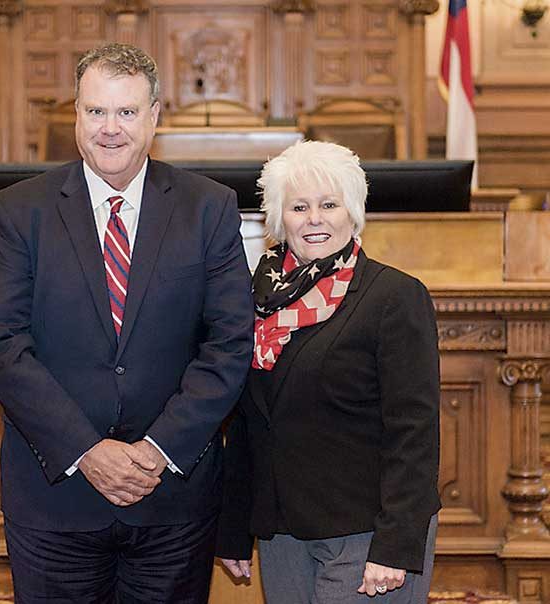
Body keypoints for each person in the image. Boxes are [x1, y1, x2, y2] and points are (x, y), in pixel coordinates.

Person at [0, 42, 254, 604]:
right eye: (96, 111)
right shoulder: (18, 210)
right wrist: (87, 451)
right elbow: (0, 343)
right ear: (76, 114)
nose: (110, 129)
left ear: (154, 116)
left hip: (171, 497)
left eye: (126, 112)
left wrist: (155, 451)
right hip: (55, 500)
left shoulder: (210, 208)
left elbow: (228, 344)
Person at [216, 140, 440, 603]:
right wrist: (235, 527)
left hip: (368, 534)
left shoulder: (394, 297)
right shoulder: (254, 302)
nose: (314, 218)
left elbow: (414, 431)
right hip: (282, 536)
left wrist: (396, 544)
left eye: (329, 204)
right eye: (299, 206)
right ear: (279, 220)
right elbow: (246, 424)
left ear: (352, 213)